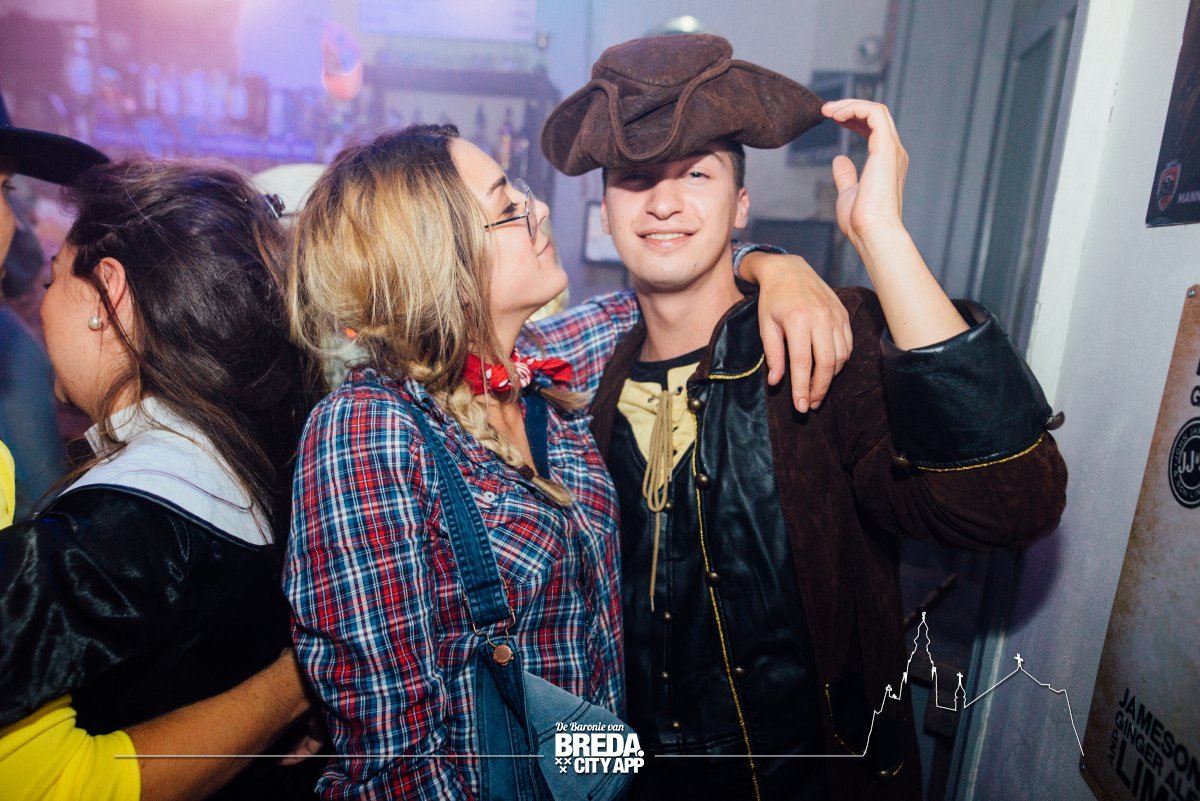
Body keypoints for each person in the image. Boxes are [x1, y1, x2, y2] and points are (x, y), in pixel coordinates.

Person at [536, 33, 1070, 801]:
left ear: (741, 204)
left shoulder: (818, 340)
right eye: (635, 178)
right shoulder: (591, 382)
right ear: (607, 209)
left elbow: (1009, 501)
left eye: (697, 173)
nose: (663, 202)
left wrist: (882, 237)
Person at [284, 123, 847, 799]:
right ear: (439, 258)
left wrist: (776, 267)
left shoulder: (541, 372)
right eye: (507, 205)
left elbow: (676, 290)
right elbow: (395, 764)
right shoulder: (369, 428)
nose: (541, 207)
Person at [0, 156, 321, 800]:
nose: (40, 308)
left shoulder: (120, 524)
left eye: (56, 279)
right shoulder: (274, 463)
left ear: (108, 296)